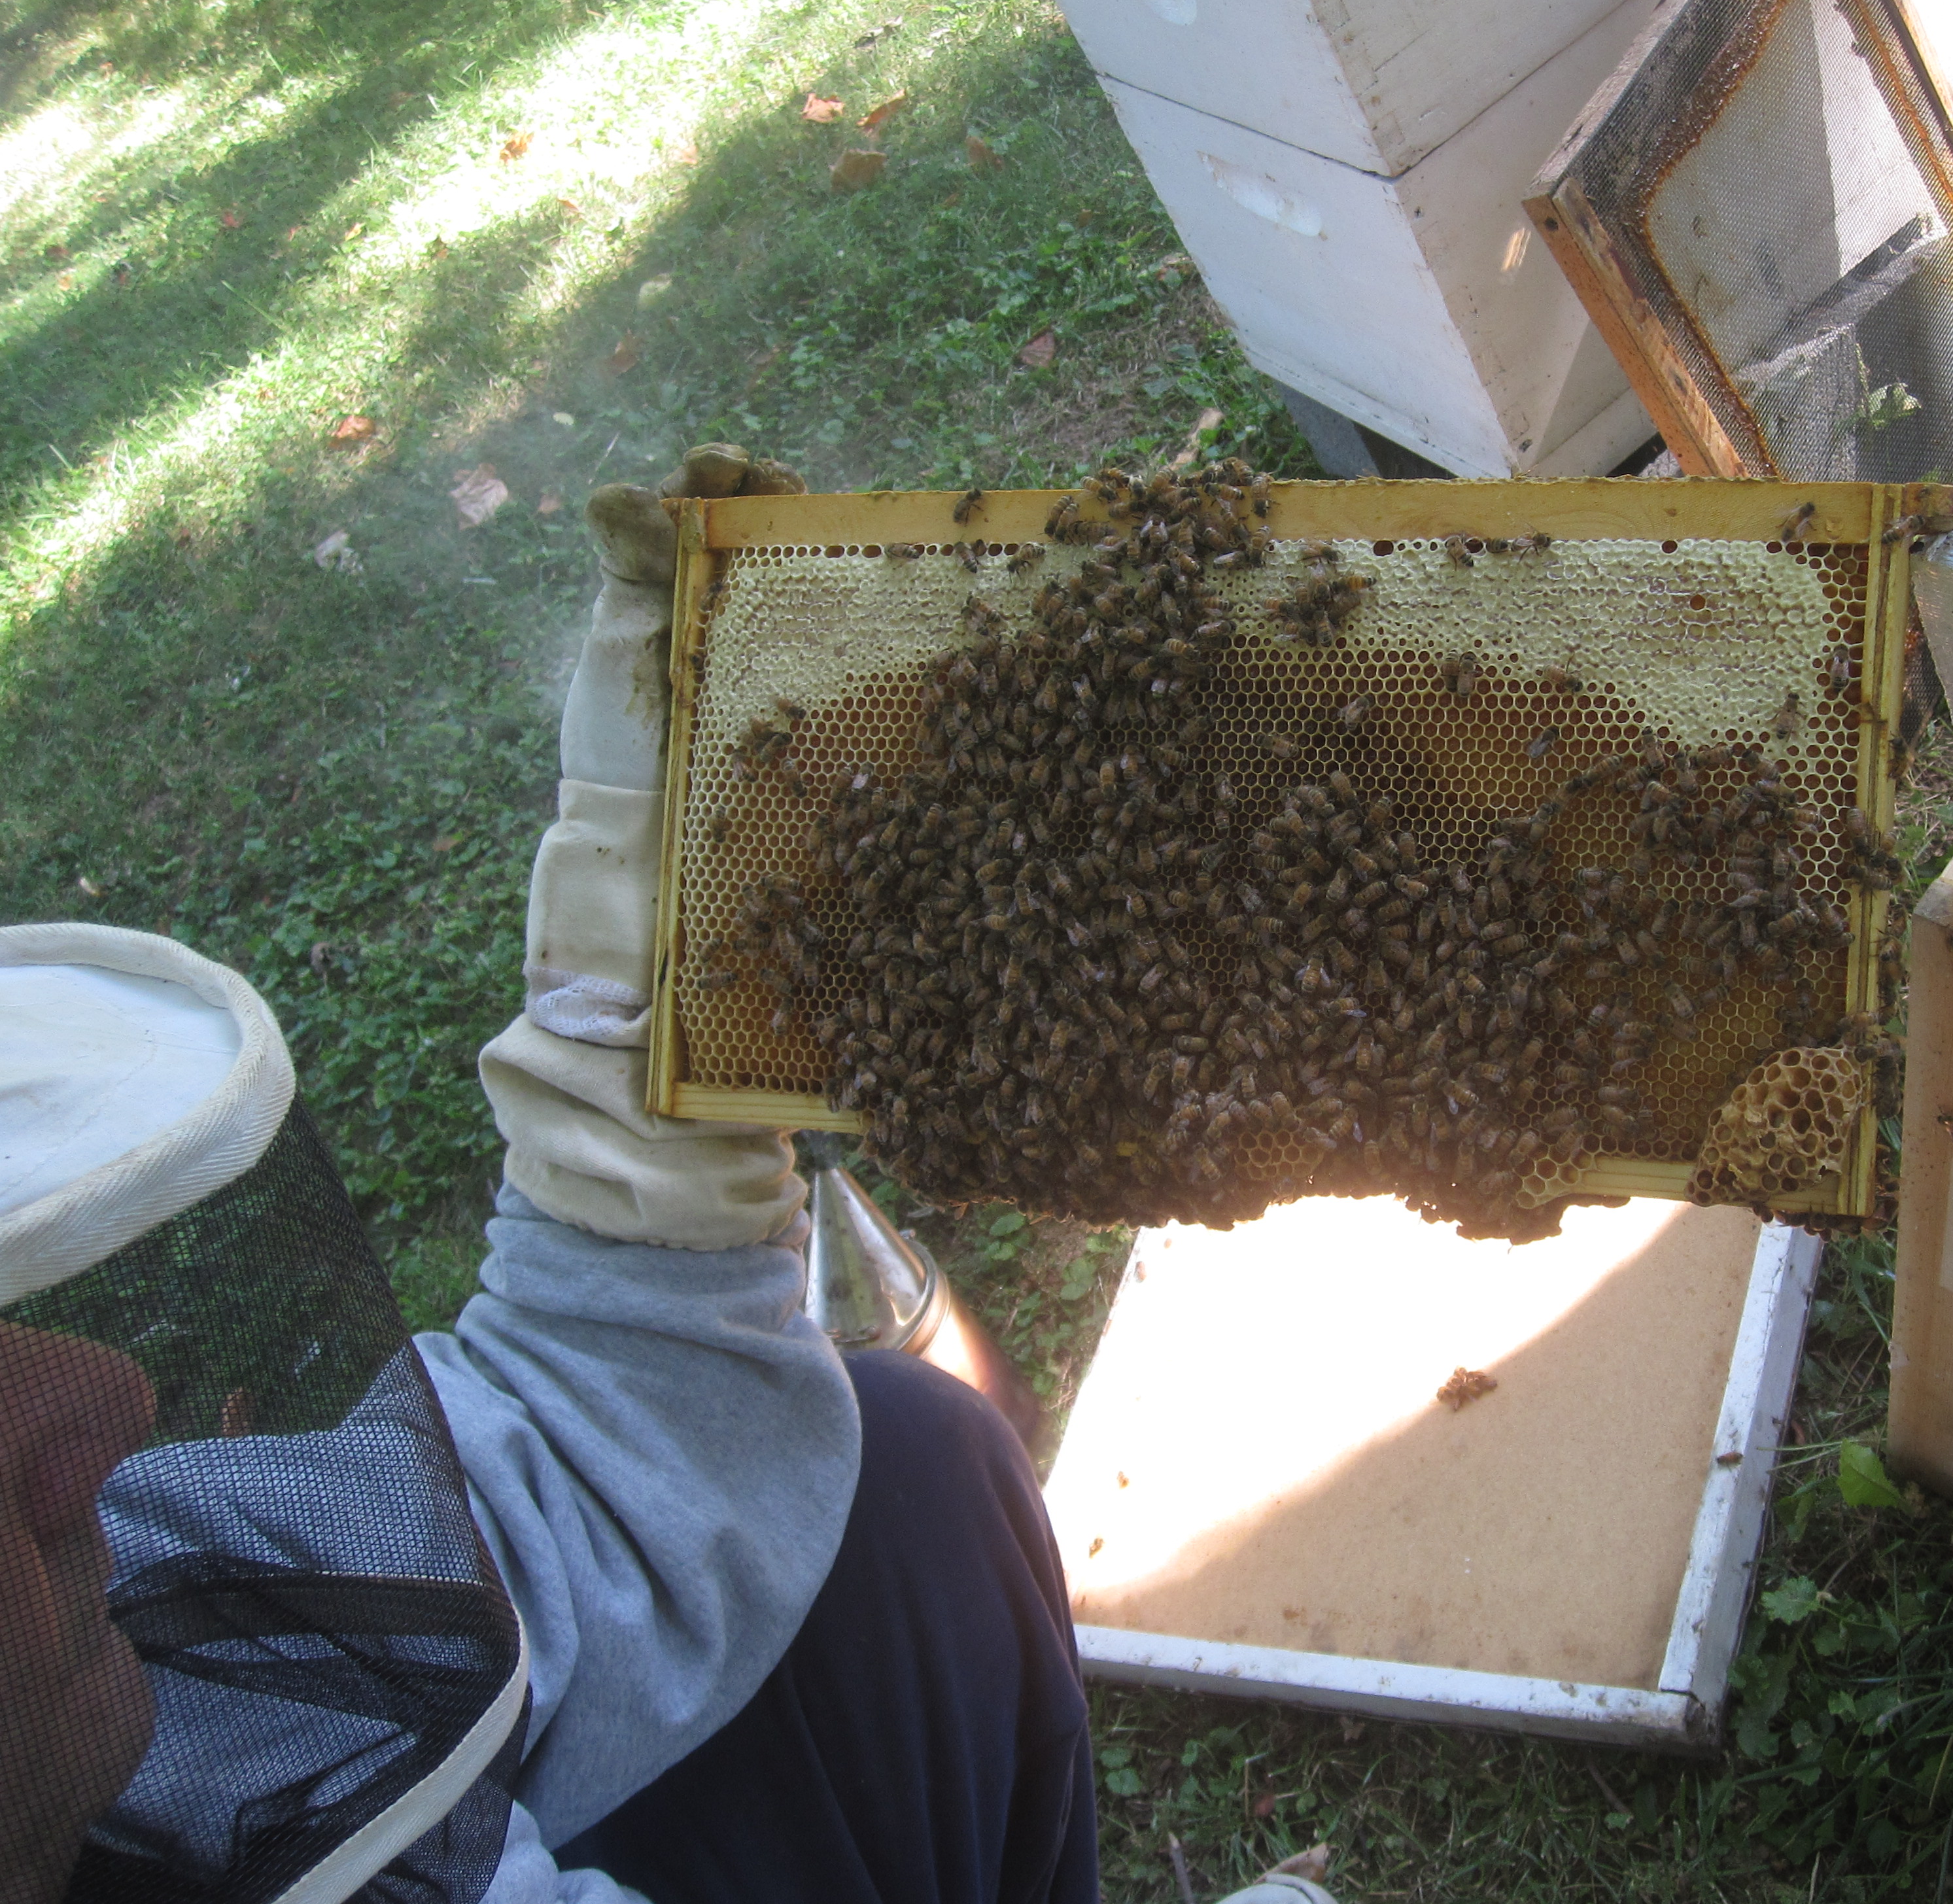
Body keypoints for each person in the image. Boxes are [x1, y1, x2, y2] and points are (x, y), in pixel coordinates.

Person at [0, 449, 1341, 1904]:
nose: (107, 1408)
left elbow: (578, 1471)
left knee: (901, 1474)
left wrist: (633, 1042)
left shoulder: (155, 1601)